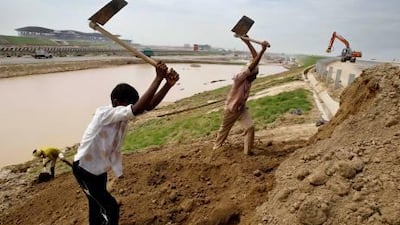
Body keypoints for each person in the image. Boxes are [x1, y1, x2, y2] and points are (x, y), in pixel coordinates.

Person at [72, 61, 179, 225]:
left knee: (97, 206)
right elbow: (137, 108)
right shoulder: (105, 113)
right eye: (129, 104)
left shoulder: (120, 114)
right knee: (110, 207)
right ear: (116, 102)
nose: (132, 108)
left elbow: (147, 106)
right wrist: (157, 79)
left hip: (98, 169)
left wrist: (167, 85)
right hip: (84, 168)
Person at [213, 36, 269, 155]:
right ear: (250, 74)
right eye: (255, 74)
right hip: (231, 109)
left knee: (250, 128)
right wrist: (262, 50)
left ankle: (247, 153)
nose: (256, 76)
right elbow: (253, 64)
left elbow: (255, 60)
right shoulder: (241, 78)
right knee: (224, 130)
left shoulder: (248, 80)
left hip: (241, 109)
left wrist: (247, 42)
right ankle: (216, 149)